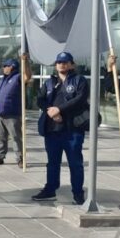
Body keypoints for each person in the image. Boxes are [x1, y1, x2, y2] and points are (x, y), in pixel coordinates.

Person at [32, 52, 89, 205]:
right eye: (59, 62)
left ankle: (78, 194)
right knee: (52, 163)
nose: (61, 64)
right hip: (52, 130)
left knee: (75, 163)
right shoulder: (50, 83)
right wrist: (51, 111)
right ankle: (50, 190)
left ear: (72, 64)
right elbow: (40, 99)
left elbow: (80, 99)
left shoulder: (79, 80)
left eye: (65, 62)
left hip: (72, 131)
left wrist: (59, 110)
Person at [0, 56, 32, 168]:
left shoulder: (18, 78)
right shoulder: (3, 79)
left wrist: (25, 61)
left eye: (5, 66)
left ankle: (21, 159)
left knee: (16, 137)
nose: (3, 68)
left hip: (12, 115)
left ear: (12, 67)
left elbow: (28, 76)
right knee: (1, 137)